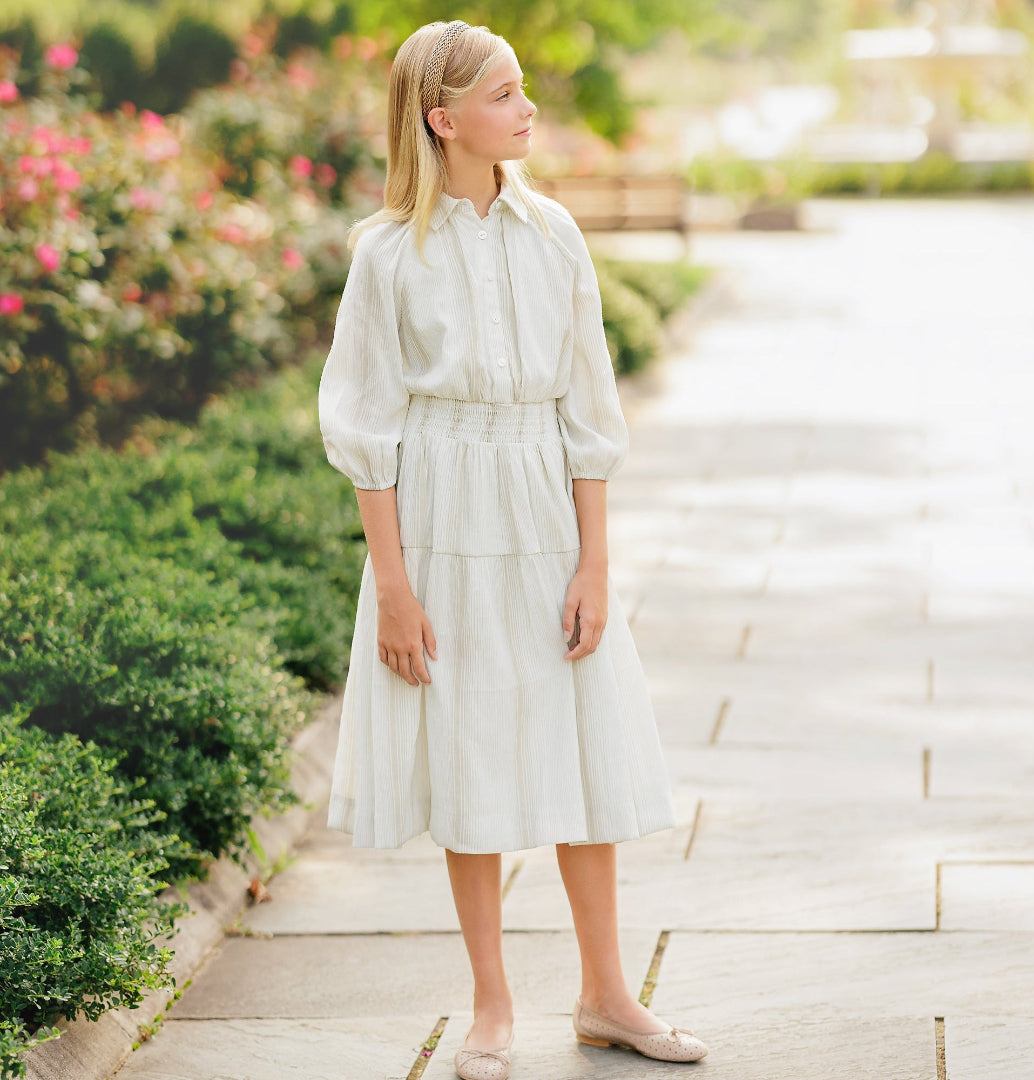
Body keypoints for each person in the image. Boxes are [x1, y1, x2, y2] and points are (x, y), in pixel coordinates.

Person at [318, 18, 708, 1080]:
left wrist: (596, 564)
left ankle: (607, 996)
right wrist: (393, 590)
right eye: (505, 93)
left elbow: (589, 408)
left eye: (523, 88)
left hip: (543, 511)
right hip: (442, 522)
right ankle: (492, 1007)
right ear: (445, 119)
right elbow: (367, 428)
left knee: (585, 743)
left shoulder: (555, 238)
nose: (529, 107)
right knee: (469, 750)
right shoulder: (386, 254)